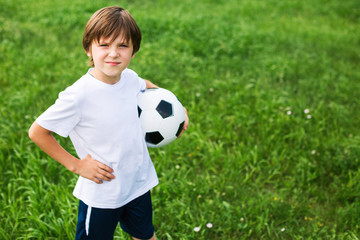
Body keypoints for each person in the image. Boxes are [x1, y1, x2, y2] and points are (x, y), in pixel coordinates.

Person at [28, 6, 189, 240]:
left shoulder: (130, 79)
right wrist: (76, 165)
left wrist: (177, 108)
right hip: (103, 192)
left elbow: (148, 85)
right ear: (88, 49)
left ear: (133, 52)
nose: (113, 53)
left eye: (122, 46)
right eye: (104, 45)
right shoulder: (79, 95)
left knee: (146, 236)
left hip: (137, 183)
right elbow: (38, 132)